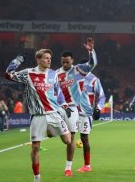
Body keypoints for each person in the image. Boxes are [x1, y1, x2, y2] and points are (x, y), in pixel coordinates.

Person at [5, 48, 72, 182]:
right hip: (38, 115)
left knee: (68, 140)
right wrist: (17, 61)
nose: (49, 60)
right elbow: (8, 74)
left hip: (54, 113)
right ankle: (37, 178)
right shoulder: (28, 73)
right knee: (35, 147)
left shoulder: (53, 74)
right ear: (38, 60)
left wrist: (65, 105)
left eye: (50, 58)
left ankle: (50, 131)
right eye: (46, 58)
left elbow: (58, 92)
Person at [55, 39, 97, 176]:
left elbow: (93, 64)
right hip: (62, 109)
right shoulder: (56, 74)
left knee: (77, 138)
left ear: (72, 60)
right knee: (64, 138)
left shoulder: (79, 69)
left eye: (67, 62)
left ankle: (70, 168)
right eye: (63, 62)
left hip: (77, 108)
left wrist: (91, 51)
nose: (65, 64)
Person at [75, 71, 105, 172]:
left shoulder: (94, 79)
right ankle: (68, 166)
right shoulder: (73, 77)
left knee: (84, 138)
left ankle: (87, 165)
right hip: (73, 111)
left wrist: (98, 108)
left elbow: (102, 96)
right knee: (69, 136)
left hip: (85, 113)